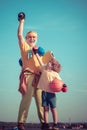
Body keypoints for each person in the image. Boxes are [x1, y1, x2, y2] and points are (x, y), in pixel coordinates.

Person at [17, 12, 45, 130]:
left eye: (34, 37)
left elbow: (45, 66)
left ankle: (44, 123)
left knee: (41, 102)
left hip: (39, 78)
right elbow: (19, 35)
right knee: (26, 101)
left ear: (36, 38)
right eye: (29, 37)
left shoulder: (40, 51)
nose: (31, 38)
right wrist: (22, 21)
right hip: (28, 76)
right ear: (27, 38)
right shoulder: (25, 48)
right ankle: (21, 123)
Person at [34, 53, 66, 130]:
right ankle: (46, 124)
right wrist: (36, 54)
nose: (48, 63)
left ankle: (55, 124)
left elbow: (61, 81)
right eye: (49, 62)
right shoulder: (43, 69)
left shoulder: (55, 73)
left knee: (53, 109)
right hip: (44, 93)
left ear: (53, 66)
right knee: (45, 109)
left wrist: (64, 86)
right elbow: (39, 61)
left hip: (52, 94)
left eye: (50, 63)